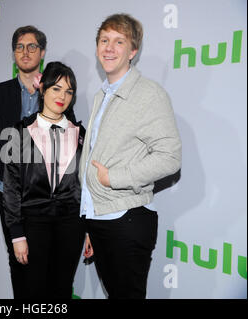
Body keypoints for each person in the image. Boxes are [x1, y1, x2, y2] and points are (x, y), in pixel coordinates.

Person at [79, 13, 182, 299]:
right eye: (104, 40)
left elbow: (170, 157)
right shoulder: (103, 94)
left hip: (126, 220)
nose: (108, 48)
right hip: (102, 217)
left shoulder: (149, 94)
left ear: (133, 51)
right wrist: (89, 218)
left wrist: (114, 178)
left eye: (118, 41)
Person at [0, 26, 76, 298]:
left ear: (42, 52)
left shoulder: (56, 91)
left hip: (48, 200)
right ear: (13, 53)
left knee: (51, 267)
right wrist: (9, 154)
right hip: (9, 194)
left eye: (32, 46)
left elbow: (71, 137)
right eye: (19, 46)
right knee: (18, 261)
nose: (25, 52)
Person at [2, 61, 86, 299]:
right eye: (56, 88)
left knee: (62, 288)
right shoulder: (20, 132)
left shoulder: (80, 134)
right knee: (33, 288)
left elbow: (87, 185)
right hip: (34, 221)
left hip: (72, 223)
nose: (63, 96)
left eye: (69, 91)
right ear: (42, 89)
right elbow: (11, 187)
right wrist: (17, 234)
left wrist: (89, 230)